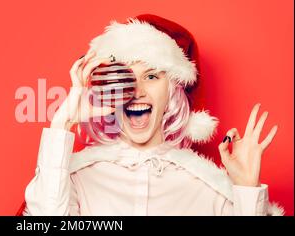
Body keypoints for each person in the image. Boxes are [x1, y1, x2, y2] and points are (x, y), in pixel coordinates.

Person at [18, 14, 284, 216]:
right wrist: (62, 123)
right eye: (126, 78)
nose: (137, 91)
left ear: (172, 91)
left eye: (152, 76)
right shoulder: (74, 179)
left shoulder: (209, 190)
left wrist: (247, 189)